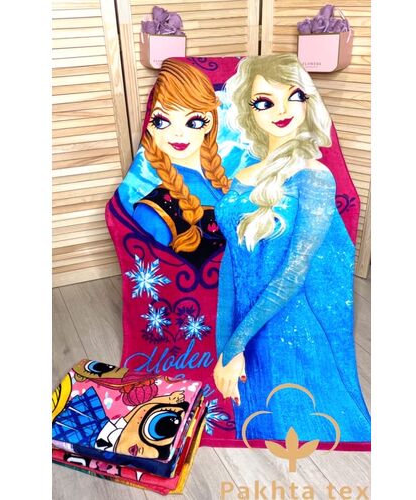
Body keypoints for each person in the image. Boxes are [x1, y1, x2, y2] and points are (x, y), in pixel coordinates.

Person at [212, 54, 371, 443]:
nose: (282, 110)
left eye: (294, 96)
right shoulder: (242, 175)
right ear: (249, 112)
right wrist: (225, 348)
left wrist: (236, 344)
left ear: (308, 102)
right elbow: (232, 261)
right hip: (246, 321)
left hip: (289, 326)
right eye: (264, 102)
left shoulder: (314, 177)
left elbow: (294, 272)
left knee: (295, 427)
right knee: (252, 420)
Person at [131, 59, 232, 267]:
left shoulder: (228, 184)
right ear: (150, 126)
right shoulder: (153, 210)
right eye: (161, 121)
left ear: (208, 123)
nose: (177, 133)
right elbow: (153, 276)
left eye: (192, 122)